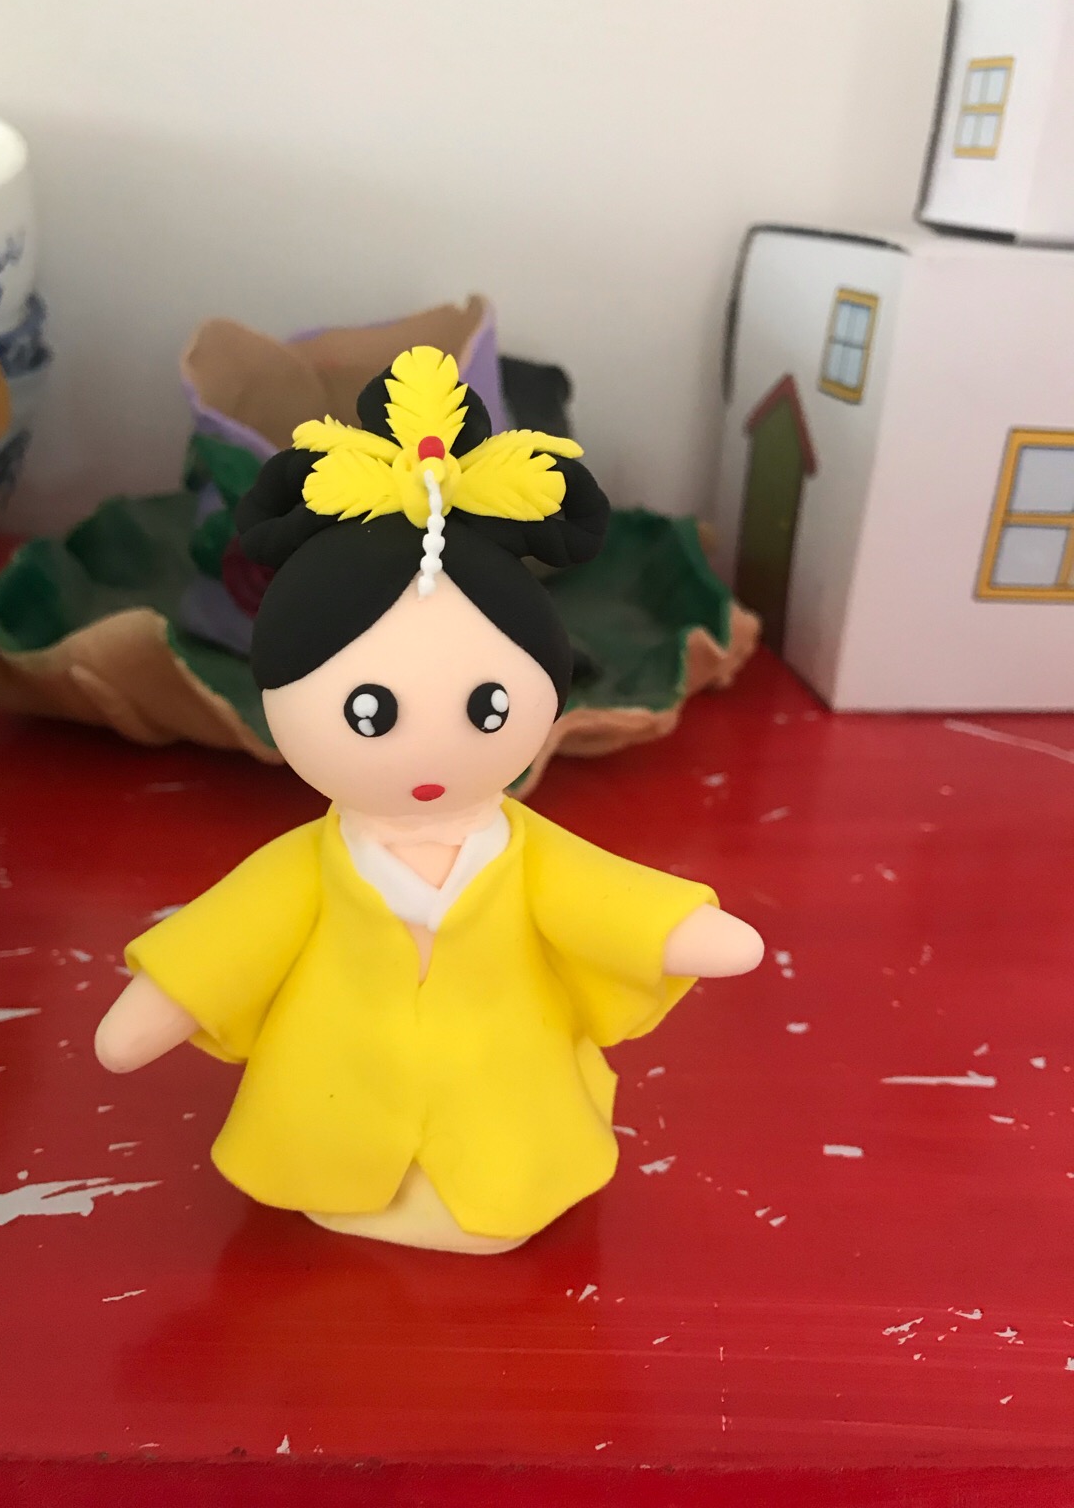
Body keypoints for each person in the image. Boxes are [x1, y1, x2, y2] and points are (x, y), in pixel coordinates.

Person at [95, 346, 763, 1253]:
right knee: (336, 1150)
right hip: (334, 1100)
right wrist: (158, 1004)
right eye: (370, 713)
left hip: (504, 1099)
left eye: (488, 707)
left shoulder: (525, 854)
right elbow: (225, 941)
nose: (427, 755)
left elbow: (606, 901)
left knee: (500, 1153)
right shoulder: (307, 868)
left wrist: (681, 930)